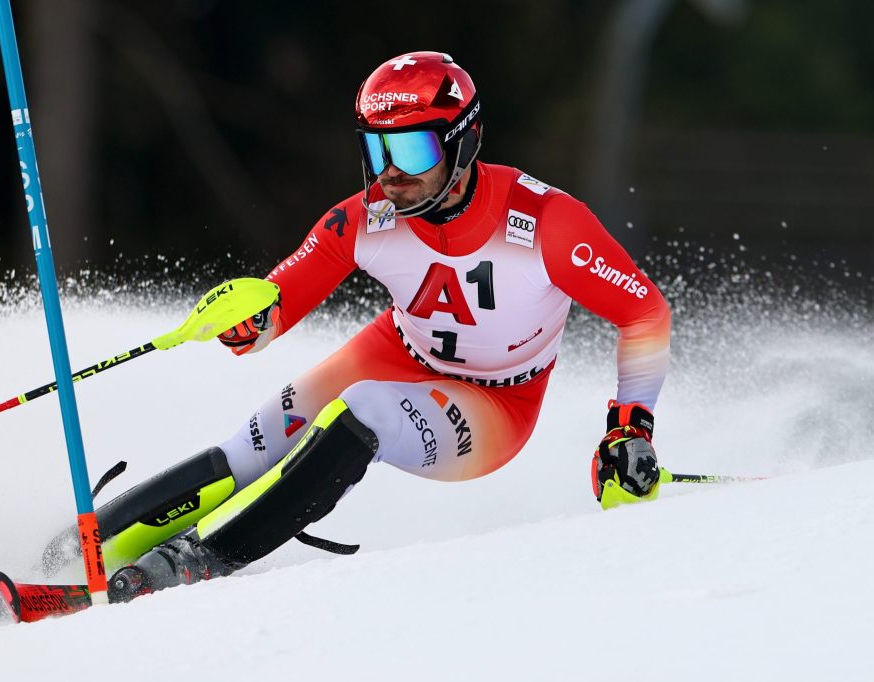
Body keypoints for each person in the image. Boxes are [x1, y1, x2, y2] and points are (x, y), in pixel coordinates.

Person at [102, 51, 671, 600]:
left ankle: (200, 560)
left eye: (413, 149)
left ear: (464, 142)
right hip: (397, 349)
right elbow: (280, 299)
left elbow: (644, 312)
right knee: (259, 438)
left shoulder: (548, 222)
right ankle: (88, 547)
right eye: (376, 149)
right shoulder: (369, 217)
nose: (392, 172)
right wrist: (249, 318)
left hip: (498, 403)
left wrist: (629, 429)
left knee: (363, 409)